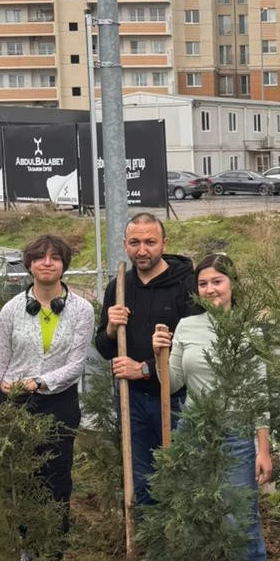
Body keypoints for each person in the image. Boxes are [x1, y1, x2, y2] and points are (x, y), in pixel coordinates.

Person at [151, 252, 272, 561]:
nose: (210, 289)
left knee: (239, 521)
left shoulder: (249, 330)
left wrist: (263, 448)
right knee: (194, 518)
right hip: (193, 434)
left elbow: (258, 392)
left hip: (236, 435)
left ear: (232, 284)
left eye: (217, 281)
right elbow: (171, 383)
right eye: (203, 283)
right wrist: (159, 353)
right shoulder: (187, 326)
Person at [0, 233, 96, 561]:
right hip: (14, 404)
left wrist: (39, 381)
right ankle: (25, 546)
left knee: (55, 480)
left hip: (58, 404)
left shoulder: (82, 310)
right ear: (29, 264)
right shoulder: (12, 310)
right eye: (40, 257)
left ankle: (51, 554)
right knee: (19, 477)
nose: (47, 263)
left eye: (55, 258)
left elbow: (76, 365)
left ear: (63, 265)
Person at [95, 211, 195, 508]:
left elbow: (193, 349)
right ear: (125, 244)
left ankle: (180, 536)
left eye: (150, 242)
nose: (142, 250)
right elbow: (104, 349)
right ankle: (149, 536)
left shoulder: (187, 285)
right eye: (134, 242)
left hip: (177, 399)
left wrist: (144, 369)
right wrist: (111, 328)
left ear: (164, 243)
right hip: (133, 400)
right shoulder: (118, 288)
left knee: (183, 477)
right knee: (142, 481)